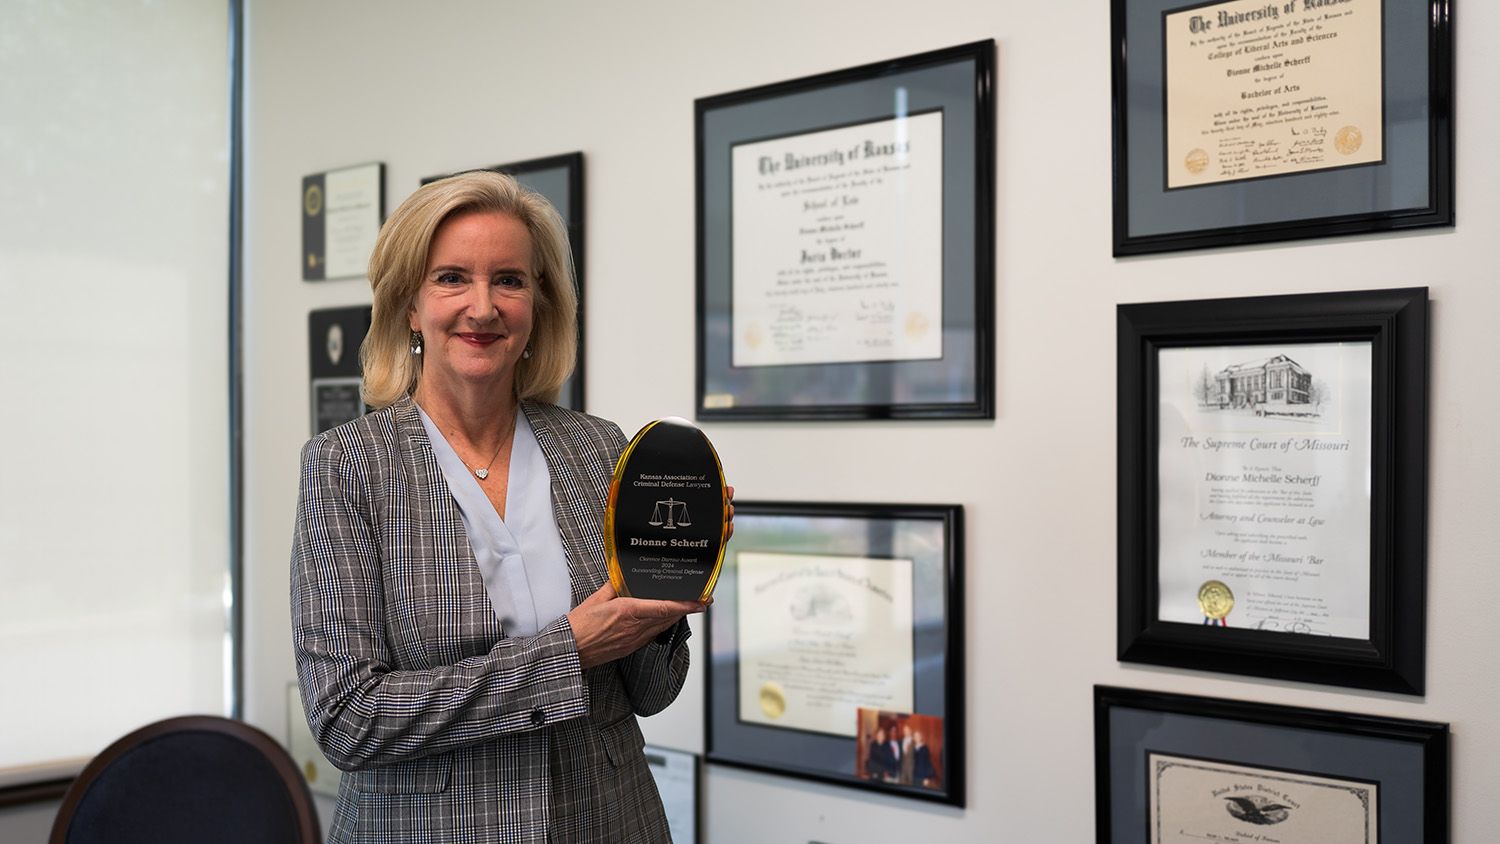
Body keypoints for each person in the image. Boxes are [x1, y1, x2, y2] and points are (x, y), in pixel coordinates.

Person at [291, 171, 727, 843]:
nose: (484, 307)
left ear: (537, 303)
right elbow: (350, 719)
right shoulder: (348, 466)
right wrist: (567, 653)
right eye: (452, 278)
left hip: (608, 820)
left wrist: (669, 591)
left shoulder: (597, 446)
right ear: (409, 303)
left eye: (509, 281)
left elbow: (650, 692)